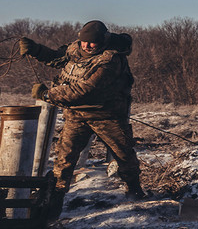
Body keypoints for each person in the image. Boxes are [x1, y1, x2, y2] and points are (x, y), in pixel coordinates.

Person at [18, 20, 144, 217]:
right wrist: (36, 50)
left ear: (102, 40)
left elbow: (84, 90)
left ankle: (135, 192)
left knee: (124, 155)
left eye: (92, 43)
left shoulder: (110, 60)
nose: (87, 46)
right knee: (64, 159)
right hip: (76, 115)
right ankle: (53, 204)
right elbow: (58, 58)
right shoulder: (76, 48)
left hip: (107, 116)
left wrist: (47, 95)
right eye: (84, 42)